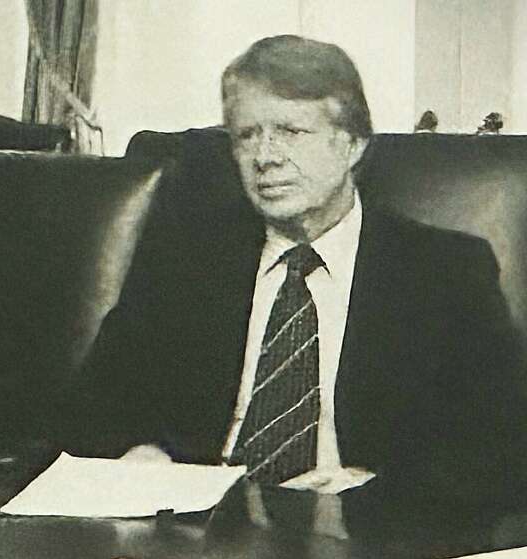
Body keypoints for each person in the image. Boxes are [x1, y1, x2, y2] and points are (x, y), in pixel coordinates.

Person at [66, 35, 527, 503]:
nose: (265, 156)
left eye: (291, 132)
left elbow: (501, 451)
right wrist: (140, 454)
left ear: (351, 144)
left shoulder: (443, 272)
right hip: (199, 536)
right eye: (247, 135)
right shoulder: (188, 261)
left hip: (356, 545)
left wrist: (377, 491)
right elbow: (87, 413)